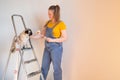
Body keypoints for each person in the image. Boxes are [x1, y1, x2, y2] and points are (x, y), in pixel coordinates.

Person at [31, 5, 67, 80]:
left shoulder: (61, 24)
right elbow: (42, 35)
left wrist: (52, 40)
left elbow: (65, 38)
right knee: (44, 68)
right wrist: (32, 37)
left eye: (50, 14)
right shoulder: (47, 23)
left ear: (55, 14)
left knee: (56, 69)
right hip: (47, 48)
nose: (49, 15)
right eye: (48, 13)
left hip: (56, 49)